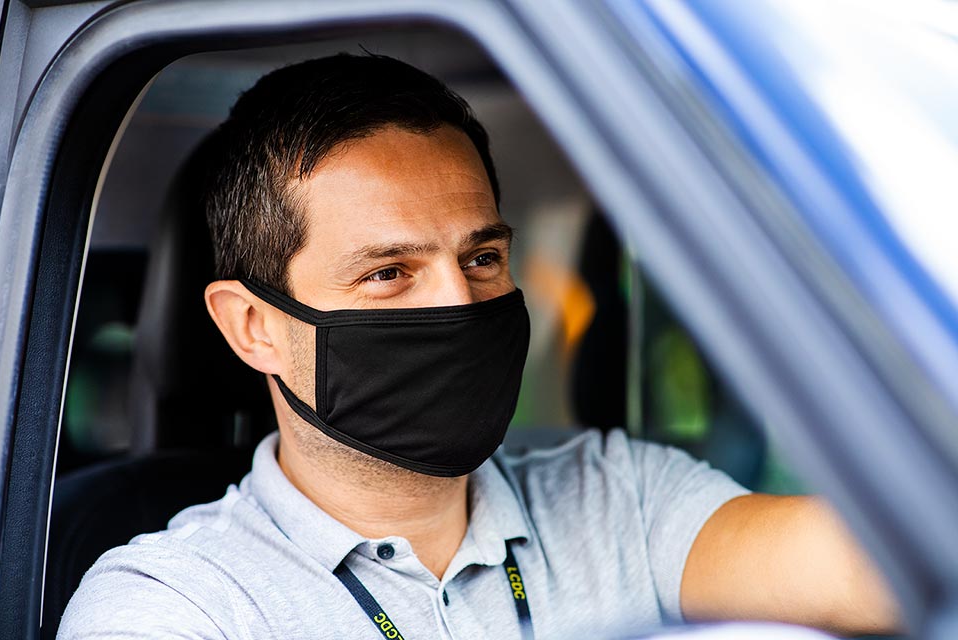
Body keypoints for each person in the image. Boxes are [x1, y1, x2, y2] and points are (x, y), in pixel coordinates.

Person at [59, 52, 902, 639]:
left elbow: (877, 567)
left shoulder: (617, 499)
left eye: (482, 257)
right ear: (255, 327)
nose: (461, 302)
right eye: (389, 273)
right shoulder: (174, 606)